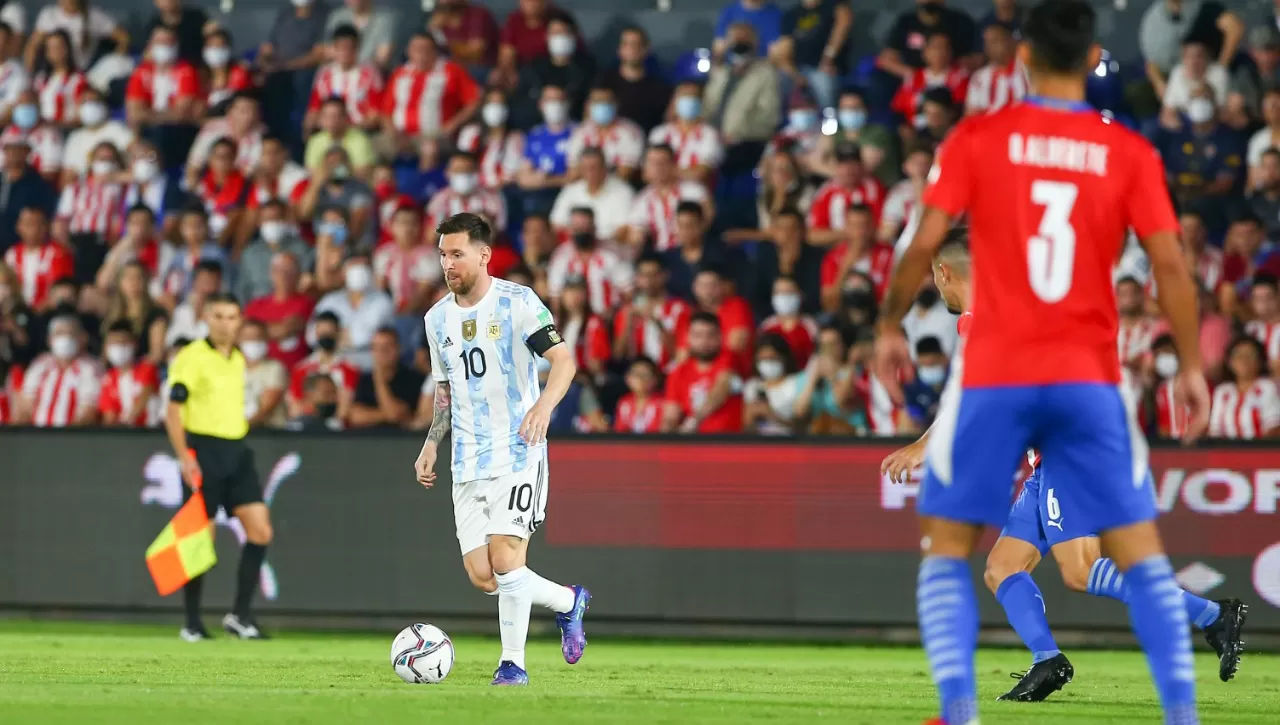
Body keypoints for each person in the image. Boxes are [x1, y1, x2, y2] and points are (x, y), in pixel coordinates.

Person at [873, 3, 1216, 723]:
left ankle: (956, 707)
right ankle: (1181, 706)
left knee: (949, 545)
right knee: (1120, 552)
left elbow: (925, 239)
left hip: (1013, 373)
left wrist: (888, 323)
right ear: (1094, 54)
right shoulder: (1126, 150)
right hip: (1088, 379)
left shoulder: (981, 139)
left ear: (1022, 56)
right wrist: (1189, 362)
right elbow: (1172, 267)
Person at [885, 233, 1247, 703]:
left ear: (945, 272)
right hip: (1053, 455)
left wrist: (925, 446)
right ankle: (1047, 660)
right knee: (1002, 567)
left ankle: (1212, 616)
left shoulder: (986, 320)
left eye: (934, 277)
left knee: (1080, 570)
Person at [415, 212, 590, 686]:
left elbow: (564, 361)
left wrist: (544, 408)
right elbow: (445, 389)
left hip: (519, 449)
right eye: (443, 255)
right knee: (484, 576)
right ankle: (569, 601)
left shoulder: (517, 303)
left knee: (507, 560)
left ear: (483, 254)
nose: (448, 264)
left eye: (457, 254)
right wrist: (432, 442)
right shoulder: (437, 319)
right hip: (466, 458)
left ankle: (512, 664)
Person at [164, 291, 273, 640]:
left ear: (240, 320)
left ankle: (240, 616)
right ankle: (192, 622)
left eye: (232, 316)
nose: (226, 323)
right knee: (199, 540)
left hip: (236, 451)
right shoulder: (191, 357)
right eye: (220, 316)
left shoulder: (237, 358)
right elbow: (173, 410)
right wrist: (184, 456)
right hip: (203, 450)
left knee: (260, 531)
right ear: (207, 318)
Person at [662, 311, 743, 433]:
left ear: (720, 336)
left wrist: (695, 420)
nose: (704, 341)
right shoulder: (678, 373)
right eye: (698, 335)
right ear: (688, 337)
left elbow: (721, 389)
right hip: (694, 445)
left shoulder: (730, 358)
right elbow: (670, 415)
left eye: (710, 335)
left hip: (729, 442)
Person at [1209, 335, 1280, 439]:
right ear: (1229, 362)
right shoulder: (1223, 391)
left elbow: (1273, 426)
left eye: (1250, 356)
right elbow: (1215, 430)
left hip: (1260, 451)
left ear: (1260, 361)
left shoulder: (1267, 387)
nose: (1244, 361)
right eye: (1238, 356)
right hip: (1226, 452)